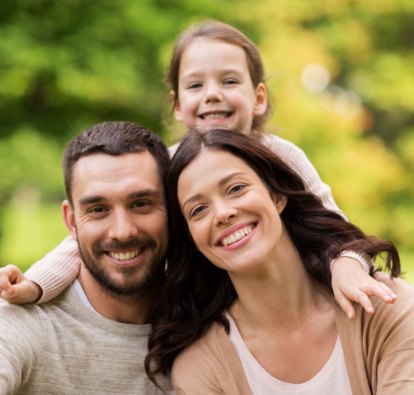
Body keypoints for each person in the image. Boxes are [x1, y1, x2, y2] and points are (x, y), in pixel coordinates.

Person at [0, 20, 394, 317]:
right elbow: (83, 239)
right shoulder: (168, 166)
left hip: (297, 305)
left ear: (257, 97)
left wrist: (347, 265)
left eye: (229, 80)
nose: (212, 95)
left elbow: (336, 228)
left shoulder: (281, 156)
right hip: (212, 314)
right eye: (195, 85)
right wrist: (35, 284)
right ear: (176, 105)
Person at [146, 128, 414, 394]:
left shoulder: (384, 308)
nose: (222, 213)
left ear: (277, 195)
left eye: (236, 188)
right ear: (192, 239)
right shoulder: (202, 368)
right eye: (198, 209)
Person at [0, 121, 172, 393]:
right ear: (71, 221)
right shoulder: (27, 324)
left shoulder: (207, 320)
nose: (122, 231)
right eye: (98, 209)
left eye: (141, 203)